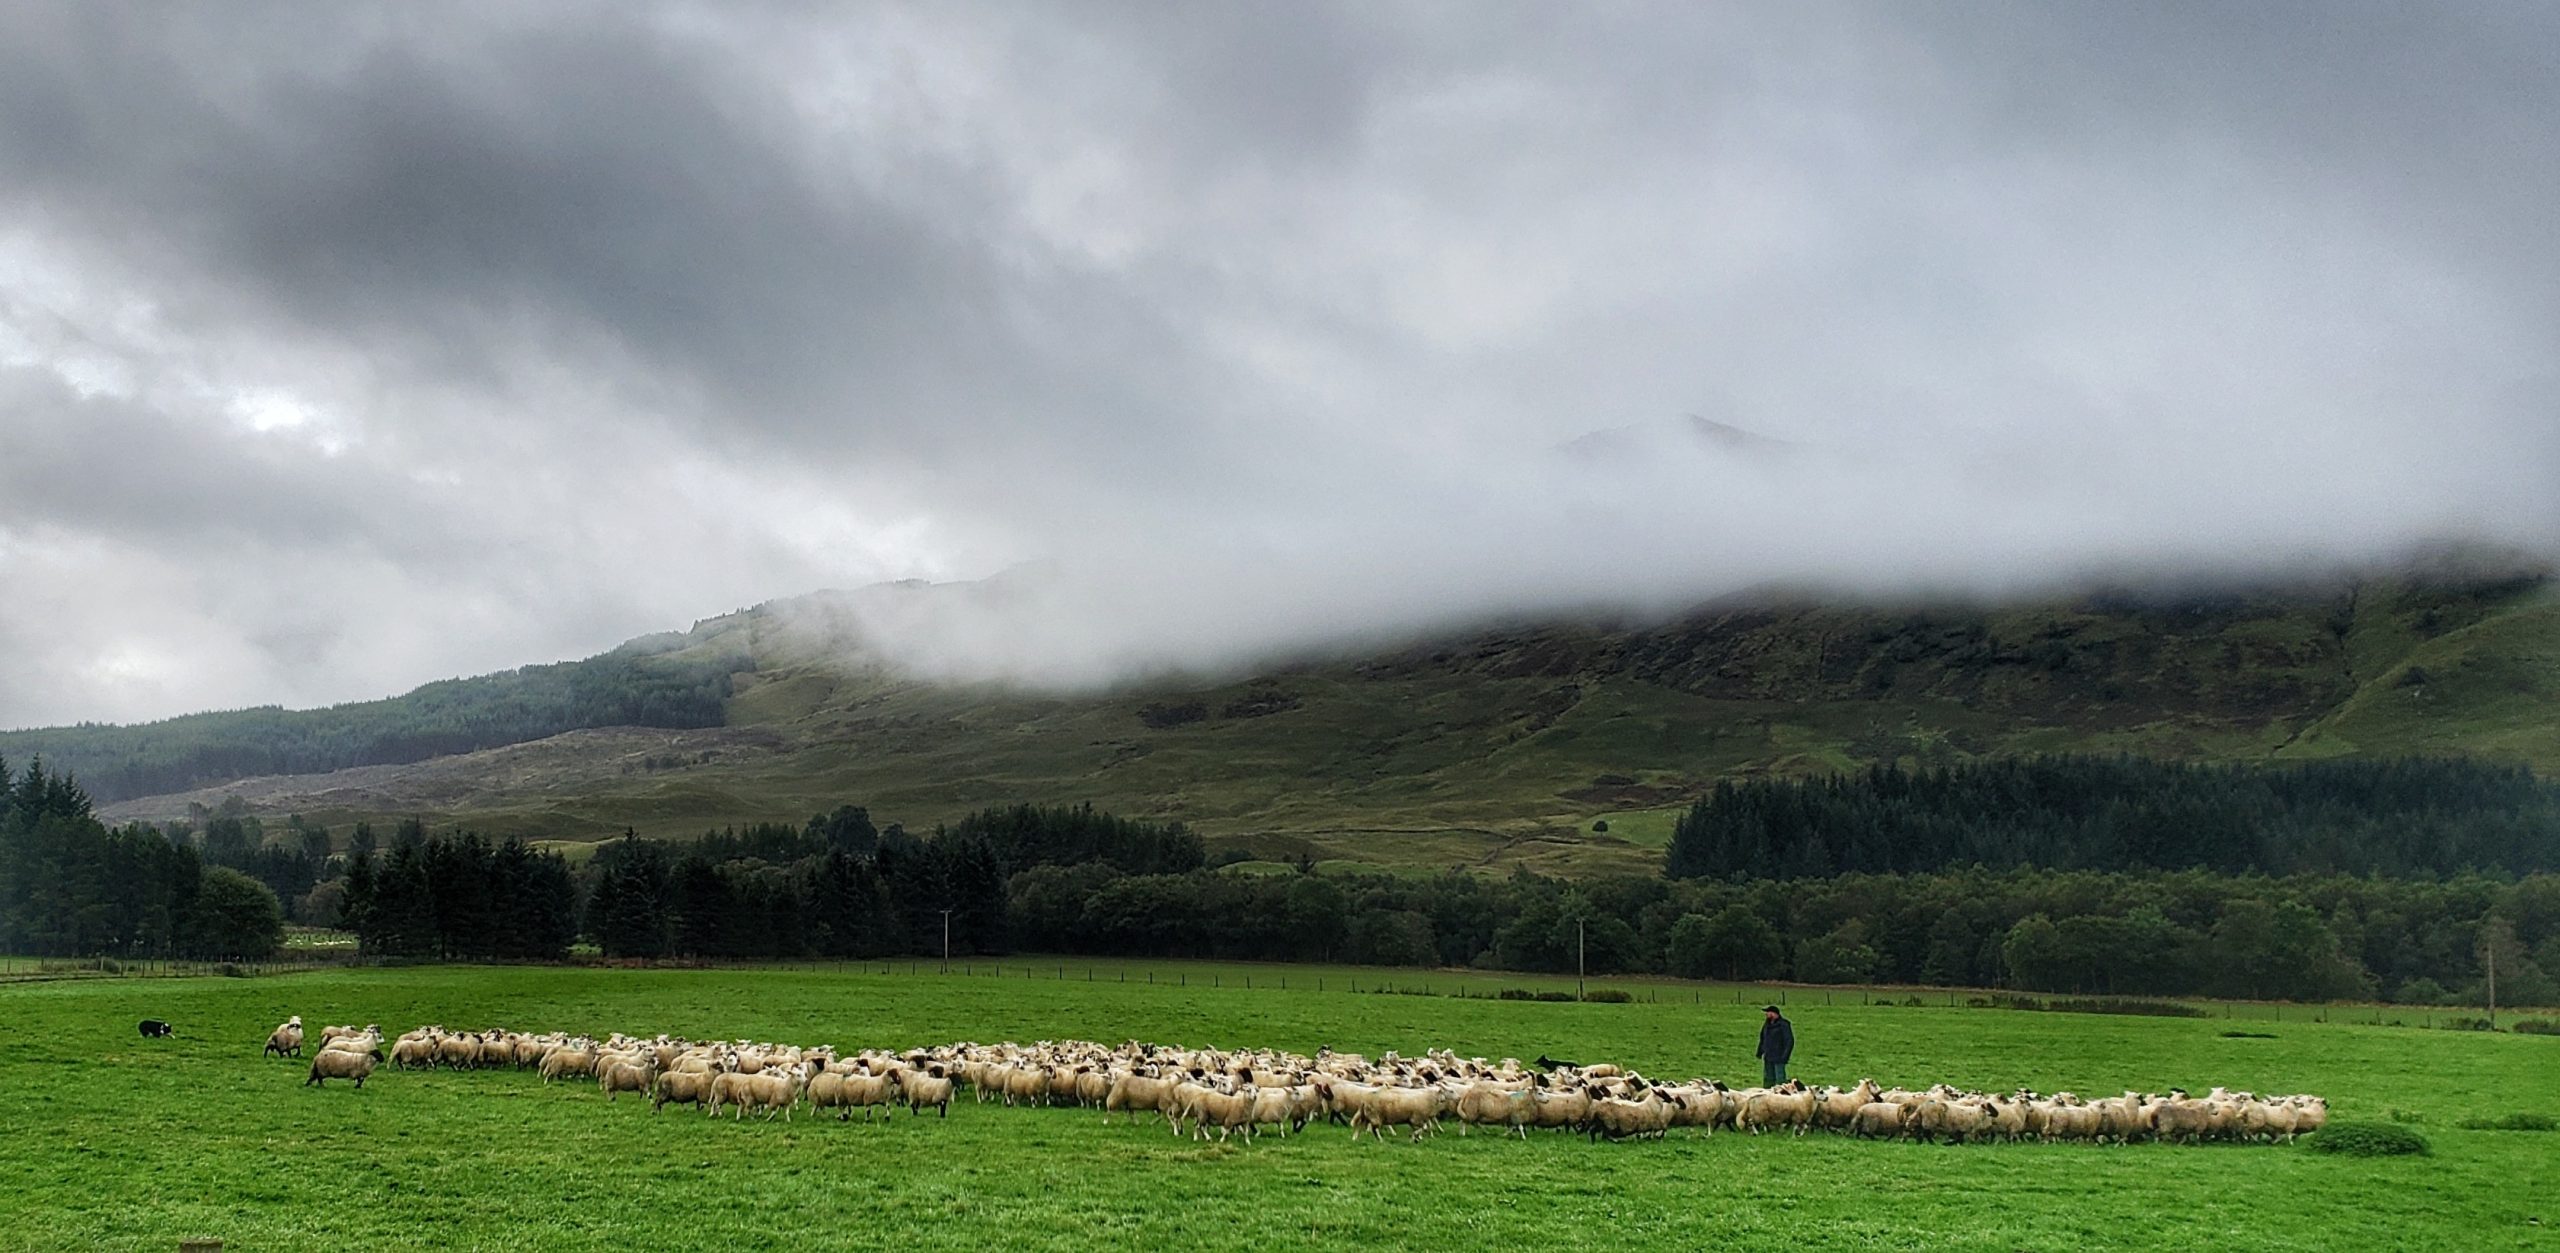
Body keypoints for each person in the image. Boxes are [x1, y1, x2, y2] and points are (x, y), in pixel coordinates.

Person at [1755, 1005, 1792, 1086]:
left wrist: (1785, 1056)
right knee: (1768, 1078)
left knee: (1780, 1079)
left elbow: (1789, 1041)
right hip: (1768, 1056)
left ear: (1774, 1014)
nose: (1767, 1014)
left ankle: (1781, 1096)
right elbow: (1763, 1038)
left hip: (1779, 1056)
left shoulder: (1784, 1024)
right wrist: (1760, 1051)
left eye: (1768, 1012)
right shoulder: (1766, 1025)